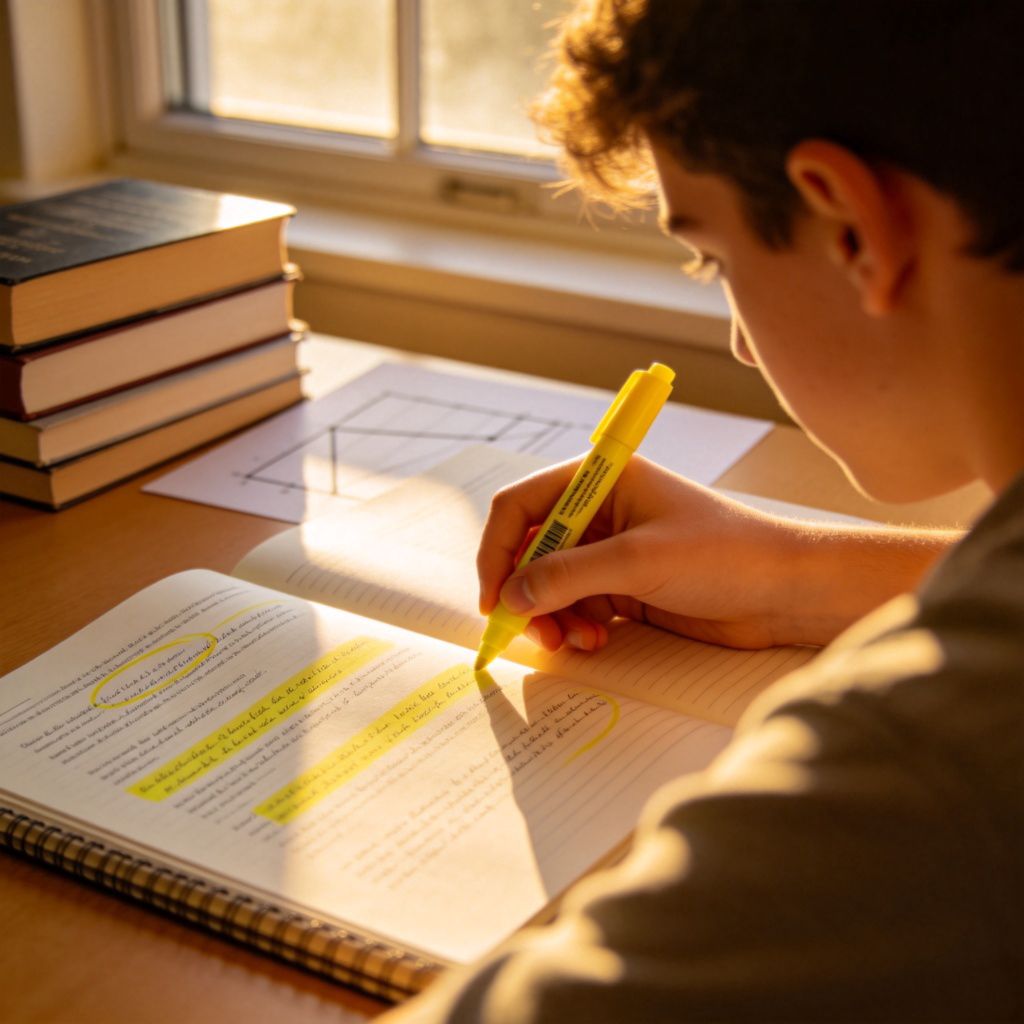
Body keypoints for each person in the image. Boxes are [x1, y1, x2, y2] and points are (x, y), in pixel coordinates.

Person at [385, 1, 1023, 1019]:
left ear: (850, 223)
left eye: (715, 260)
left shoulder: (925, 772)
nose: (735, 342)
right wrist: (791, 571)